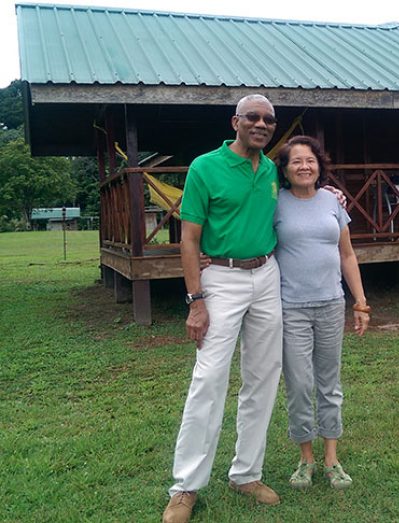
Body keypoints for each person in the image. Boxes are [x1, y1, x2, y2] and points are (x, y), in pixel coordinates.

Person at [163, 94, 283, 523]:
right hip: (222, 279)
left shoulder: (271, 170)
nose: (261, 123)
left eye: (269, 119)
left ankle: (246, 473)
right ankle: (186, 487)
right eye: (252, 116)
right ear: (235, 121)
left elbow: (304, 188)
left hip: (267, 275)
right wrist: (196, 302)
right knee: (210, 378)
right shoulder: (205, 167)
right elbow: (189, 240)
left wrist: (333, 198)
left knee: (263, 376)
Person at [274, 135, 370, 490]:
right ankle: (305, 459)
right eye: (296, 161)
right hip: (291, 309)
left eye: (310, 160)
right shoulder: (274, 203)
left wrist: (359, 302)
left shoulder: (332, 201)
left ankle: (332, 459)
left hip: (331, 305)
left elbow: (347, 255)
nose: (304, 166)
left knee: (330, 384)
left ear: (319, 165)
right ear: (284, 169)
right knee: (299, 385)